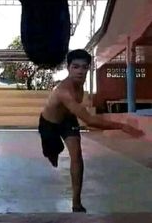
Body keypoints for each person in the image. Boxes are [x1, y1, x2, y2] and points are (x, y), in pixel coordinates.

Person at [38, 49, 144, 213]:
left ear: (88, 68)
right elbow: (90, 120)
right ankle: (52, 153)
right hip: (49, 123)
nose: (80, 71)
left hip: (68, 120)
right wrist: (122, 126)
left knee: (77, 156)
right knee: (53, 152)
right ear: (68, 68)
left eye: (84, 67)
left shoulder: (80, 85)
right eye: (75, 67)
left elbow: (83, 116)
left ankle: (76, 203)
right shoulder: (63, 91)